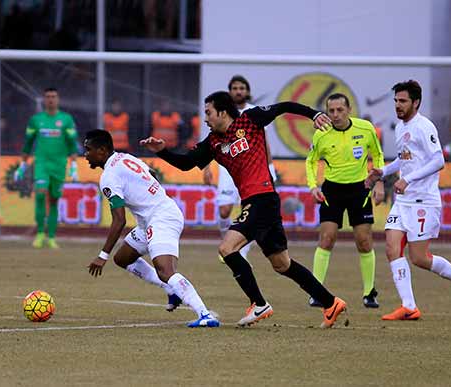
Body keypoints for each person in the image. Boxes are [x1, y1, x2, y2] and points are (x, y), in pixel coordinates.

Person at [141, 91, 348, 329]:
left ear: (222, 112)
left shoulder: (250, 120)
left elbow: (283, 107)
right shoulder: (213, 142)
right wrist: (162, 152)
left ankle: (258, 304)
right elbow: (187, 163)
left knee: (226, 248)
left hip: (263, 198)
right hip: (258, 203)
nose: (205, 118)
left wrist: (314, 114)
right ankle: (330, 303)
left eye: (208, 113)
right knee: (282, 264)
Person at [365, 80, 451, 320]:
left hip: (423, 202)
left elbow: (438, 161)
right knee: (391, 248)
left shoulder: (424, 126)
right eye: (396, 101)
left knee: (419, 258)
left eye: (403, 101)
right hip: (403, 201)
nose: (398, 105)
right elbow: (404, 160)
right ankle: (409, 307)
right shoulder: (399, 128)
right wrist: (383, 173)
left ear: (415, 102)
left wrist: (408, 180)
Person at [84, 129, 219, 328]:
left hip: (161, 218)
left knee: (165, 270)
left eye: (88, 150)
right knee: (123, 258)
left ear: (102, 150)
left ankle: (205, 314)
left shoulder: (109, 177)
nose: (85, 154)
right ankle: (171, 289)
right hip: (152, 218)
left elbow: (119, 220)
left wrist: (102, 256)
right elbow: (152, 174)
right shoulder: (124, 157)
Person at [306, 93, 385, 309]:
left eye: (340, 110)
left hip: (360, 190)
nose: (335, 115)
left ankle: (369, 293)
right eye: (331, 111)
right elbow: (311, 161)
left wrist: (378, 182)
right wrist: (313, 186)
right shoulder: (321, 134)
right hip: (332, 191)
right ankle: (316, 292)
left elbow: (377, 156)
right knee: (327, 239)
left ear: (349, 110)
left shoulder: (366, 129)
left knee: (364, 241)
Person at [202, 75, 277, 264]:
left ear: (247, 91)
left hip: (254, 169)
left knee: (251, 211)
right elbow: (211, 145)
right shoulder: (218, 115)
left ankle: (239, 251)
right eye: (235, 88)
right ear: (229, 92)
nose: (238, 91)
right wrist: (206, 168)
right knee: (224, 210)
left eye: (242, 88)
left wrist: (270, 167)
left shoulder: (253, 113)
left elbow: (264, 141)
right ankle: (229, 243)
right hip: (229, 169)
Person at [17, 87, 78, 249]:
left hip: (59, 165)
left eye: (53, 96)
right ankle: (39, 234)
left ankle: (51, 237)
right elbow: (28, 143)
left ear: (58, 99)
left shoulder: (66, 119)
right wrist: (22, 165)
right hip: (42, 163)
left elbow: (73, 145)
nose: (51, 99)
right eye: (48, 96)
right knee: (40, 195)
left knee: (54, 200)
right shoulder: (36, 120)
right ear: (44, 100)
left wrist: (73, 165)